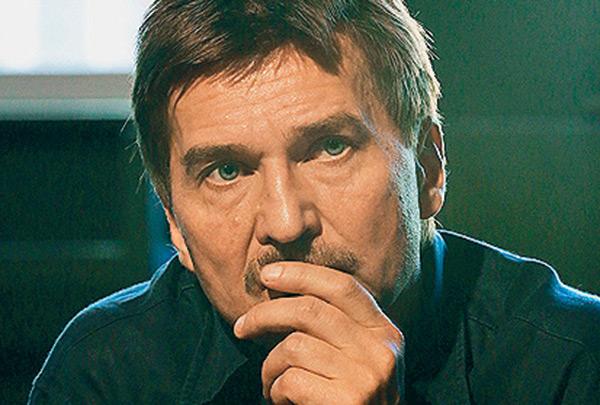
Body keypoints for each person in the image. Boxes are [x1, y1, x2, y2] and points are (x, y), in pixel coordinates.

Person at [29, 1, 599, 403]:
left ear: (428, 168)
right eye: (226, 171)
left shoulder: (573, 362)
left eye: (330, 149)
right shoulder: (106, 373)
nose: (285, 223)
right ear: (174, 222)